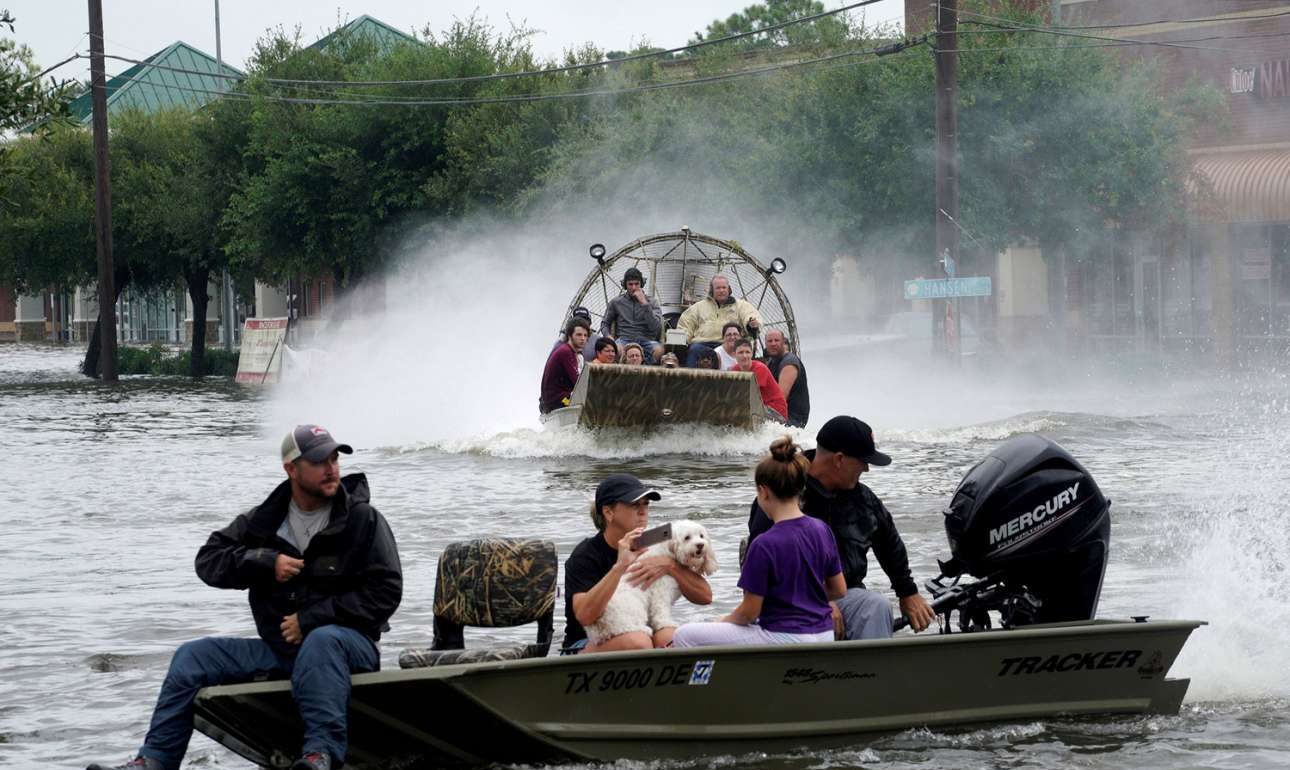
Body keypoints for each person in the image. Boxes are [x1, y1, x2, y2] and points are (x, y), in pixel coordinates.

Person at [87, 426, 402, 770]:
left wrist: (311, 619)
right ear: (291, 469)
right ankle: (154, 761)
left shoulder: (363, 519)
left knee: (321, 641)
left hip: (348, 649)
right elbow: (207, 561)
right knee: (193, 657)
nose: (331, 469)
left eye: (334, 459)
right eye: (318, 461)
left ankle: (319, 755)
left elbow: (386, 592)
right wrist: (265, 563)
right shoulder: (263, 522)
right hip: (281, 653)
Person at [747, 416, 936, 641]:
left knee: (876, 606)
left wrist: (908, 593)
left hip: (846, 595)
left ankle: (871, 673)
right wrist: (819, 601)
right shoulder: (784, 490)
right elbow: (760, 565)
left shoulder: (864, 499)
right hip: (787, 601)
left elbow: (889, 544)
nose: (867, 468)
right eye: (863, 461)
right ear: (839, 459)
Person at [673, 437, 843, 647]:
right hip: (824, 634)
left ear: (763, 492)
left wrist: (723, 621)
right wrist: (802, 598)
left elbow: (749, 612)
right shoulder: (822, 530)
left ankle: (710, 681)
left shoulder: (764, 543)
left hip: (783, 637)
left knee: (684, 635)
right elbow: (839, 590)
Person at [563, 474, 712, 653]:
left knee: (675, 638)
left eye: (646, 504)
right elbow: (585, 617)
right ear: (609, 512)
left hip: (644, 628)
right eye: (634, 505)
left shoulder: (656, 541)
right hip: (584, 641)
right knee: (639, 642)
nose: (643, 511)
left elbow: (705, 597)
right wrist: (619, 567)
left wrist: (670, 565)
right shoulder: (585, 555)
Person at [677, 275, 761, 366]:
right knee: (694, 349)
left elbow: (750, 316)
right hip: (702, 345)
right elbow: (685, 324)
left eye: (724, 287)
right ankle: (690, 379)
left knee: (737, 351)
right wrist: (682, 342)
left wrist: (751, 323)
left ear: (729, 289)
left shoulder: (741, 306)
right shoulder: (698, 307)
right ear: (712, 290)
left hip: (729, 344)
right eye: (718, 288)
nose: (721, 290)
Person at [600, 267, 664, 363]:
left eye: (636, 284)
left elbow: (656, 328)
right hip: (624, 339)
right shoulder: (616, 302)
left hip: (647, 340)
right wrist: (608, 336)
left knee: (659, 350)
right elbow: (605, 323)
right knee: (615, 349)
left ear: (641, 284)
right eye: (630, 284)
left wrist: (644, 304)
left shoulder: (652, 302)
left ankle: (646, 371)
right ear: (625, 285)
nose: (633, 287)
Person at [540, 317, 589, 413]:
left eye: (585, 335)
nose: (583, 338)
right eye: (578, 335)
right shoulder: (566, 351)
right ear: (570, 336)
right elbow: (578, 382)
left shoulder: (571, 352)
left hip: (558, 398)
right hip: (557, 401)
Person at [763, 329, 810, 428]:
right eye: (770, 341)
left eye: (776, 340)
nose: (773, 343)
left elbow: (780, 398)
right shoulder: (771, 361)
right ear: (765, 344)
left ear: (783, 342)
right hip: (779, 415)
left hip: (793, 419)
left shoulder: (789, 363)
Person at [732, 338, 787, 420]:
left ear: (751, 354)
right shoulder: (734, 370)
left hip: (776, 410)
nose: (744, 356)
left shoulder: (760, 368)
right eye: (740, 352)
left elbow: (751, 395)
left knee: (741, 411)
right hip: (758, 407)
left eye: (747, 352)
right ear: (734, 354)